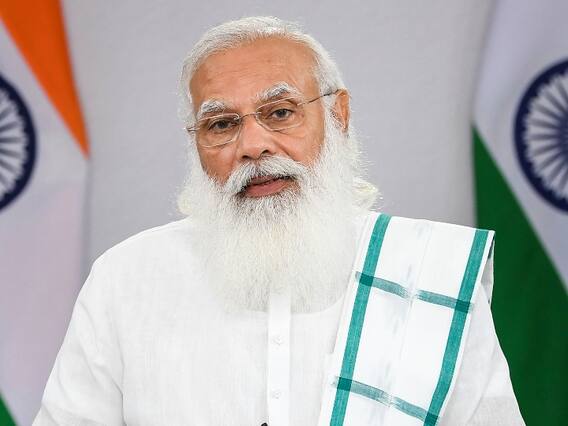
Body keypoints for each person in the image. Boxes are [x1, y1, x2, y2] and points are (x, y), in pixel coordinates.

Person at [33, 16, 524, 426]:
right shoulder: (126, 279)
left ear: (338, 116)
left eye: (280, 112)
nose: (253, 146)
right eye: (221, 124)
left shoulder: (428, 274)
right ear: (196, 141)